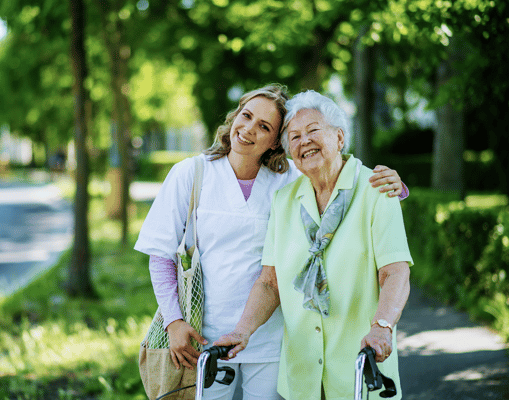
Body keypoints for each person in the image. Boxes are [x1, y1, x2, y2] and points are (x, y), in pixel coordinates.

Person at [134, 84, 408, 400]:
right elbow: (162, 253)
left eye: (264, 126)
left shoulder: (288, 178)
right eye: (246, 116)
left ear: (275, 142)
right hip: (208, 336)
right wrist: (173, 321)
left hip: (274, 339)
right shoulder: (196, 174)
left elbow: (339, 176)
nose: (249, 129)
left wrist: (395, 187)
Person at [213, 90, 412, 400]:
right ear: (289, 151)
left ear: (340, 137)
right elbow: (270, 282)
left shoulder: (376, 189)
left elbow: (395, 272)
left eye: (313, 130)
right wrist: (242, 331)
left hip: (360, 369)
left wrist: (382, 325)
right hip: (301, 379)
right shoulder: (285, 201)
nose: (303, 140)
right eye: (294, 136)